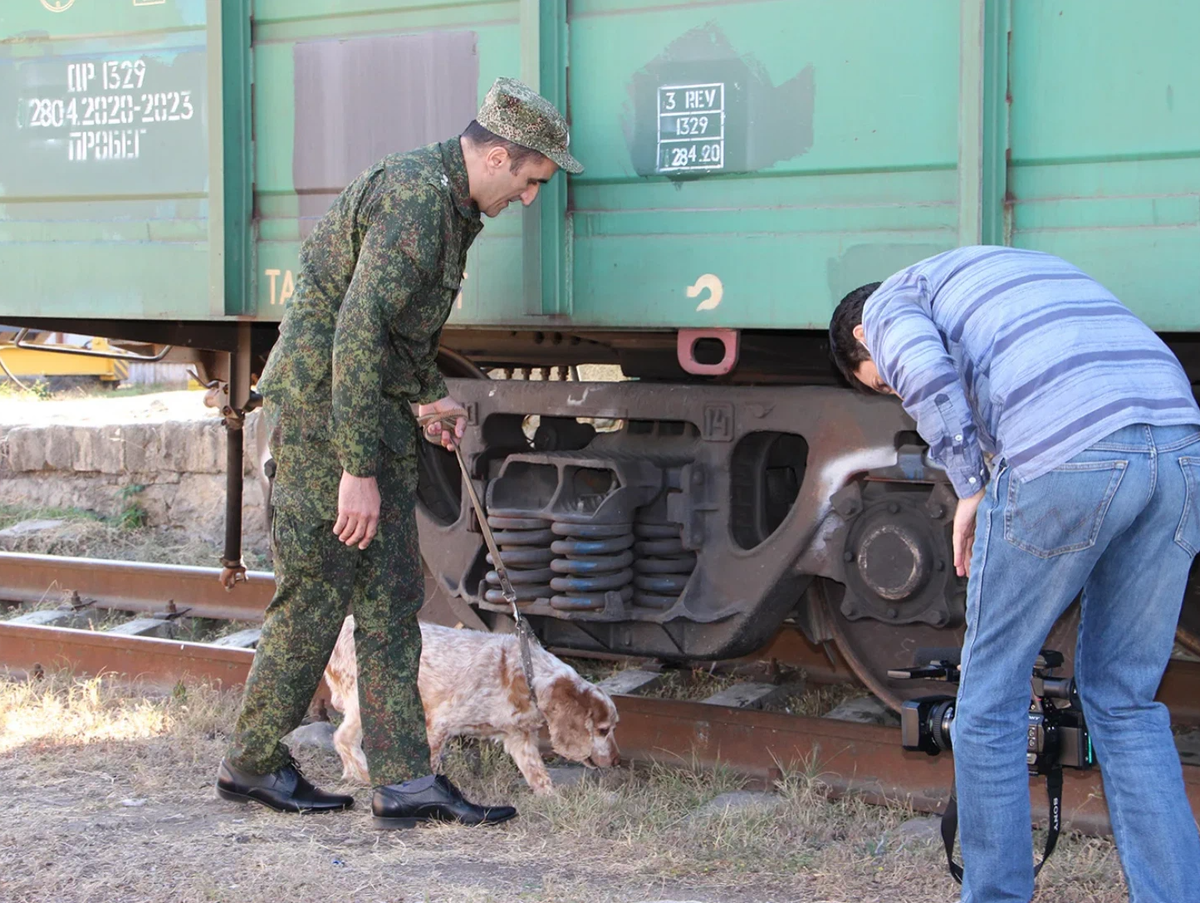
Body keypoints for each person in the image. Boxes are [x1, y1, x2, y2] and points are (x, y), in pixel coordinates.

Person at [215, 77, 583, 829]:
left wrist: (427, 392)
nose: (531, 197)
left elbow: (398, 330)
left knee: (389, 604)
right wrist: (356, 470)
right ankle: (250, 763)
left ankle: (405, 781)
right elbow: (355, 334)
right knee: (316, 602)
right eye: (532, 180)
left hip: (373, 411)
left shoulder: (454, 208)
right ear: (500, 155)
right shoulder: (419, 203)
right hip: (328, 419)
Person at [829, 245, 1200, 902]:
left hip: (1071, 450)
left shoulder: (887, 303)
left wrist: (970, 486)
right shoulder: (1006, 269)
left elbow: (923, 369)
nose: (890, 388)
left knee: (988, 704)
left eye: (878, 382)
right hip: (1179, 448)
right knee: (1125, 700)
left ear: (861, 335)